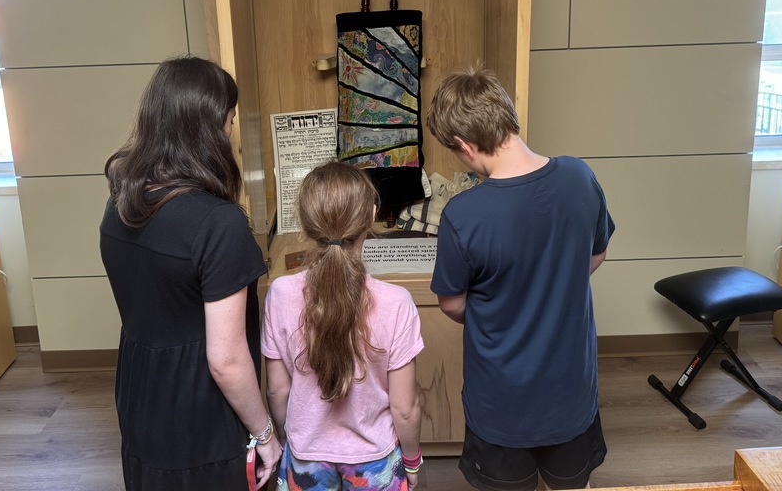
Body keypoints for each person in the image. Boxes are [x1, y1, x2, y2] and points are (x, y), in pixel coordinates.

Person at [425, 65, 615, 491]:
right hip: (572, 392)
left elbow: (452, 303)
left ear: (464, 145)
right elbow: (598, 251)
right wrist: (555, 283)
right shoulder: (579, 177)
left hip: (501, 405)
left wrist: (507, 303)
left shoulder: (463, 215)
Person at [99, 56, 282, 491]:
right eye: (231, 120)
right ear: (214, 125)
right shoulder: (218, 223)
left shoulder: (121, 203)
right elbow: (227, 360)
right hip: (201, 413)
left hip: (140, 401)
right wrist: (266, 434)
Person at [262, 161, 425, 490]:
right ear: (372, 215)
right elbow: (405, 408)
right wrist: (412, 461)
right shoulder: (397, 302)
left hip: (305, 455)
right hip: (375, 458)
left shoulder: (279, 293)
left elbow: (277, 390)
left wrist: (289, 437)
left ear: (306, 222)